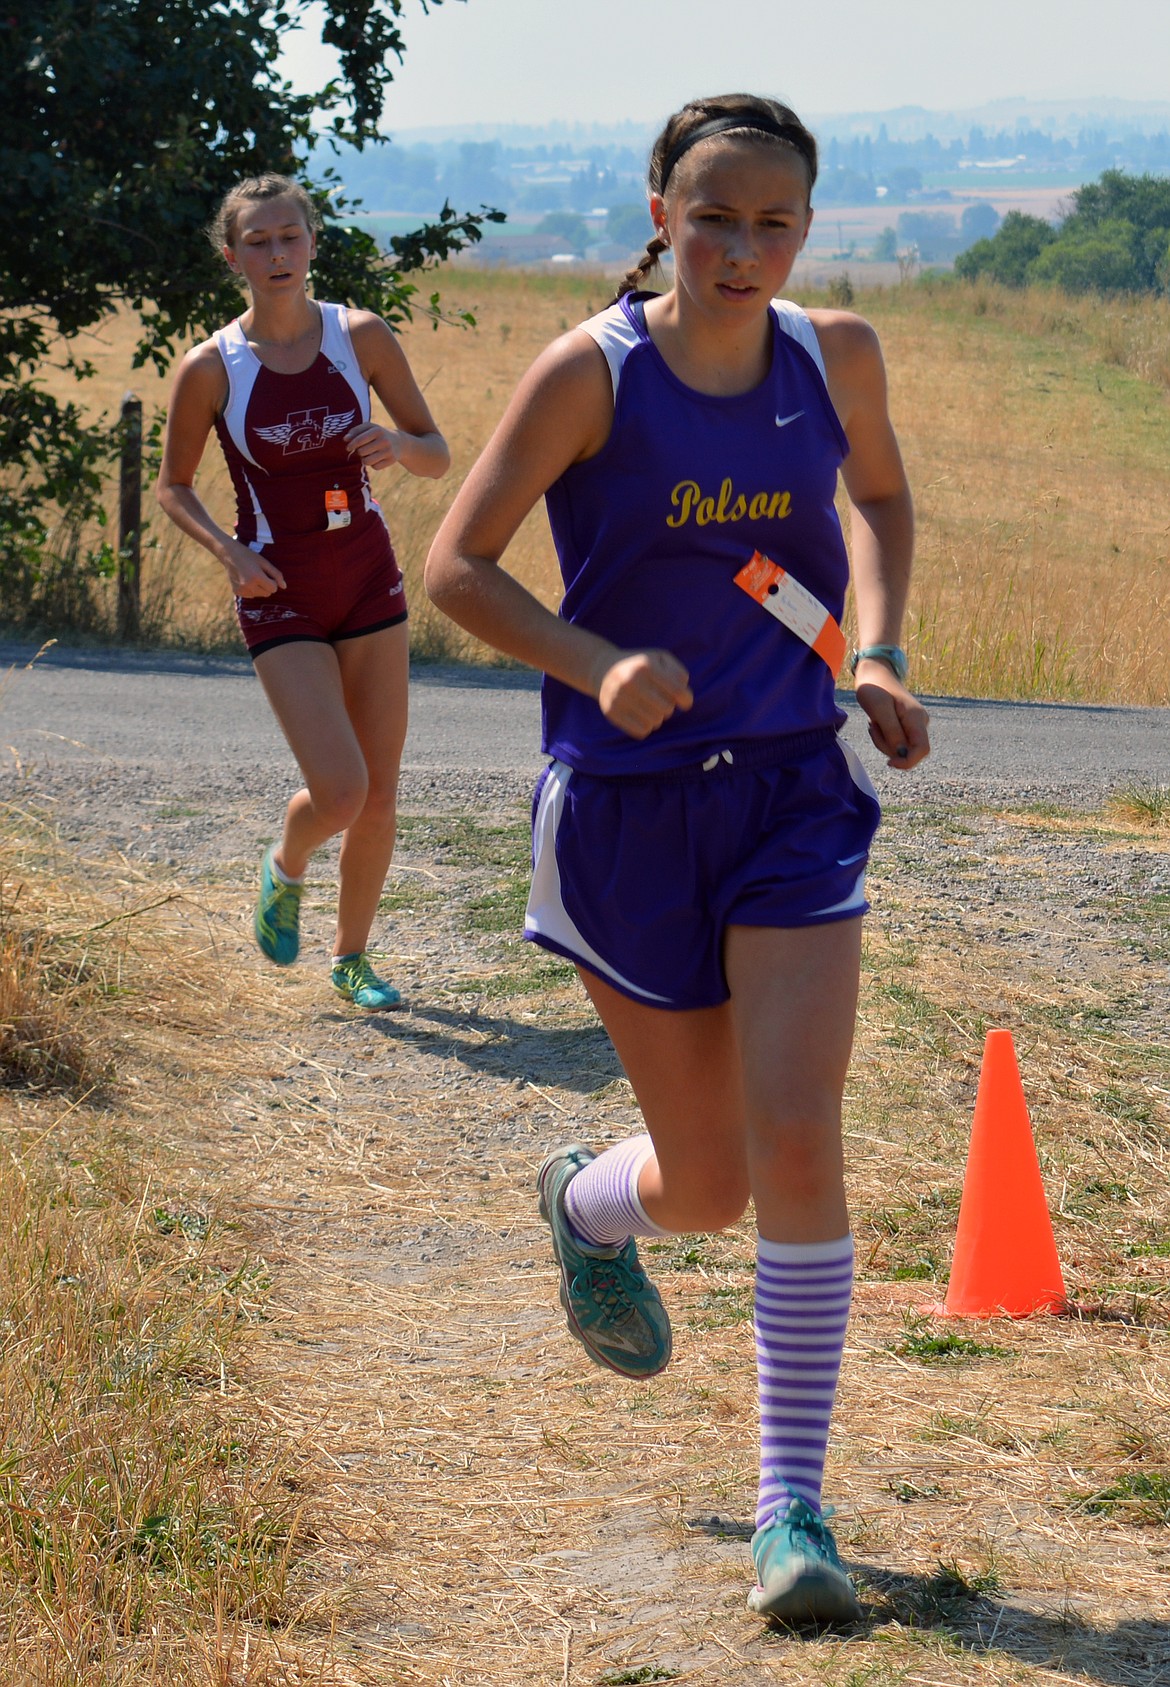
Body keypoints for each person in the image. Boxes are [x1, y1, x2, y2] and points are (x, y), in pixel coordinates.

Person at [426, 93, 932, 1624]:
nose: (742, 248)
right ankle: (584, 1201)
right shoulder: (591, 375)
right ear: (658, 210)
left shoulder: (832, 354)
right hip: (628, 804)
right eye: (713, 215)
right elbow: (454, 564)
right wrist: (593, 660)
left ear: (806, 227)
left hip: (789, 787)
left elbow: (882, 499)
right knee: (702, 1183)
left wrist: (882, 649)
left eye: (774, 221)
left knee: (793, 1138)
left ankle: (794, 1508)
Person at [158, 174, 448, 1008]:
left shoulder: (361, 336)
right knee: (342, 791)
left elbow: (436, 450)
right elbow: (174, 486)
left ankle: (352, 957)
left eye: (291, 236)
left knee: (381, 789)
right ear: (232, 256)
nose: (278, 254)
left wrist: (395, 441)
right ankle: (287, 861)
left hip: (367, 575)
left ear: (313, 244)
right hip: (277, 587)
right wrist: (229, 555)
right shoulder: (211, 367)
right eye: (259, 241)